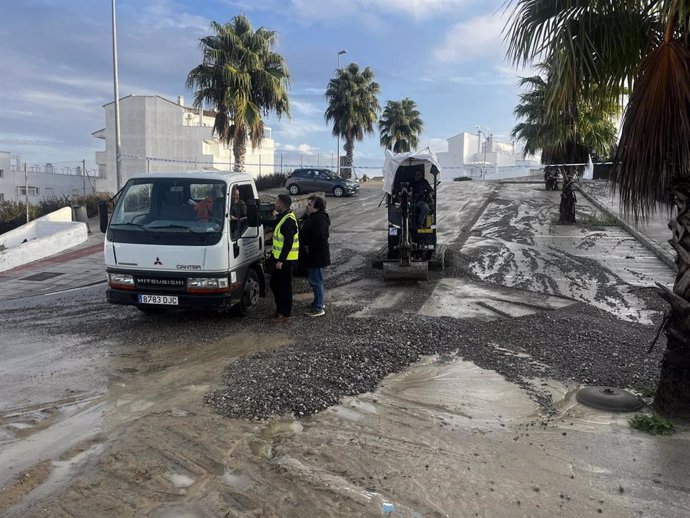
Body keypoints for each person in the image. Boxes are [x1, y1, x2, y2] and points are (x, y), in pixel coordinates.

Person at [262, 194, 299, 322]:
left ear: (282, 205)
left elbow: (288, 243)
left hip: (285, 261)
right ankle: (279, 310)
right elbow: (273, 223)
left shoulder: (288, 221)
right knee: (275, 284)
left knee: (285, 287)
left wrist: (281, 261)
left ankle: (286, 314)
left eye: (276, 203)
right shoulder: (283, 217)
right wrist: (260, 220)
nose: (275, 205)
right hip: (279, 258)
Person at [300, 195, 330, 317]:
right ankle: (318, 302)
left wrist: (309, 246)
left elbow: (321, 238)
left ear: (317, 207)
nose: (307, 206)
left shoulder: (319, 220)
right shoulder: (314, 217)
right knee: (315, 280)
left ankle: (319, 308)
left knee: (316, 281)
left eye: (310, 205)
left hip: (316, 256)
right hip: (314, 255)